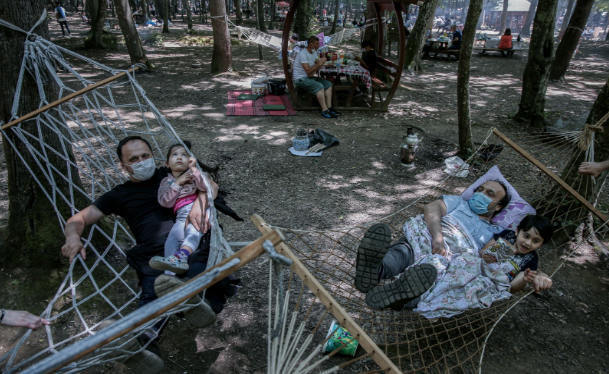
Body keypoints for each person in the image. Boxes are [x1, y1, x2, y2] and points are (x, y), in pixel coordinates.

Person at [61, 136, 241, 367]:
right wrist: (73, 237)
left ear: (153, 156)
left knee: (191, 269)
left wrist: (200, 202)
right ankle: (145, 343)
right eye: (134, 159)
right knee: (154, 287)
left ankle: (192, 300)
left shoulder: (170, 174)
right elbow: (78, 219)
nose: (141, 161)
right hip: (154, 254)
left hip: (192, 239)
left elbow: (211, 185)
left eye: (145, 156)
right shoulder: (118, 195)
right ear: (123, 166)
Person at [355, 181, 511, 310]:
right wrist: (438, 237)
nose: (481, 194)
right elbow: (431, 208)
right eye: (479, 189)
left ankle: (399, 297)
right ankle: (375, 269)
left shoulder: (495, 232)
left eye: (489, 194)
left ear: (498, 206)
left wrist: (487, 256)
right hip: (431, 237)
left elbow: (485, 256)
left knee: (438, 279)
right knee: (405, 251)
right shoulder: (458, 203)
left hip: (453, 261)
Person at [149, 142, 208, 274]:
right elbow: (165, 203)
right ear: (167, 164)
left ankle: (182, 256)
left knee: (193, 232)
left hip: (200, 208)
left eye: (184, 155)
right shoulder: (166, 182)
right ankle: (169, 274)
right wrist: (177, 183)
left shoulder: (195, 175)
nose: (179, 157)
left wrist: (194, 170)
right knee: (171, 241)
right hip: (181, 215)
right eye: (175, 155)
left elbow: (205, 188)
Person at [478, 215, 554, 294]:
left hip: (494, 286)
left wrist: (523, 279)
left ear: (540, 244)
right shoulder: (507, 235)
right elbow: (482, 251)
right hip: (481, 269)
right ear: (517, 231)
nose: (528, 243)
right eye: (526, 236)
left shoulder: (532, 260)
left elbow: (511, 289)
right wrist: (484, 255)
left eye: (536, 241)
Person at [292, 35, 340, 119]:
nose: (319, 45)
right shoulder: (303, 54)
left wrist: (325, 63)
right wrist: (319, 64)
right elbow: (308, 71)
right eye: (317, 44)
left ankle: (329, 108)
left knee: (328, 84)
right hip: (300, 79)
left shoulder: (314, 52)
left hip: (309, 77)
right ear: (311, 45)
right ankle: (324, 111)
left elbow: (318, 64)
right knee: (320, 86)